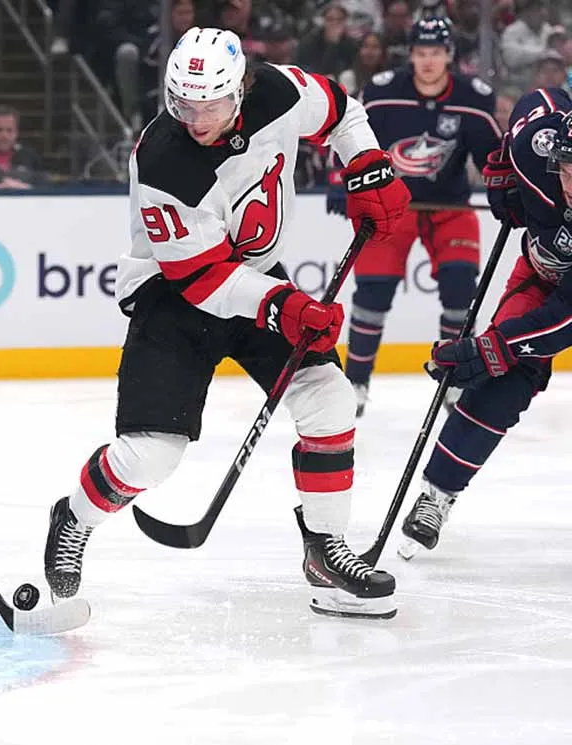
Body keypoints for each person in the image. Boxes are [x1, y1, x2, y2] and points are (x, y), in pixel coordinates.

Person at [40, 26, 410, 620]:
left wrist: (368, 167)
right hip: (173, 298)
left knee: (328, 397)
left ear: (239, 91)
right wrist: (285, 305)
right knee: (151, 457)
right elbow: (200, 278)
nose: (196, 119)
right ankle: (74, 518)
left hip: (254, 278)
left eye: (210, 105)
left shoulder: (279, 92)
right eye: (183, 104)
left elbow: (342, 112)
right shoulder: (163, 159)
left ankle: (326, 551)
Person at [397, 87, 572, 559]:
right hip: (543, 274)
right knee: (503, 381)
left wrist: (493, 346)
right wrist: (504, 164)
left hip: (565, 306)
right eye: (568, 166)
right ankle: (437, 493)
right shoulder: (537, 144)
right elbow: (540, 100)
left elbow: (563, 320)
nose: (571, 182)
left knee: (501, 355)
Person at [334, 17, 500, 416]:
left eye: (436, 53)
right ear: (410, 54)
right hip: (392, 206)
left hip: (451, 209)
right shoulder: (382, 93)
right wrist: (343, 181)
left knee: (460, 290)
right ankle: (356, 382)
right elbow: (349, 137)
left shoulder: (473, 98)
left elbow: (492, 161)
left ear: (449, 56)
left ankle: (454, 379)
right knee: (373, 292)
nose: (428, 61)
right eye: (421, 52)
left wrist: (508, 194)